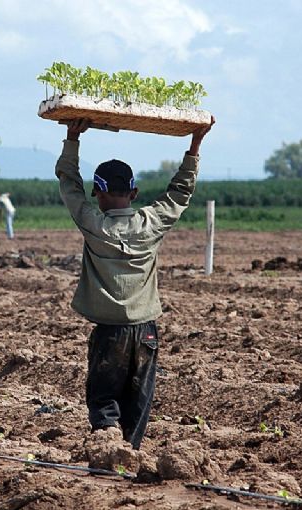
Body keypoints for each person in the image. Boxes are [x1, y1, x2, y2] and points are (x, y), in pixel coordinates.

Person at [55, 117, 215, 451]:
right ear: (134, 192)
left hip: (109, 332)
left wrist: (72, 137)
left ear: (97, 192)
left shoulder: (94, 224)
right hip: (146, 331)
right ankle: (130, 453)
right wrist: (195, 143)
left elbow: (69, 184)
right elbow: (181, 190)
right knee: (139, 399)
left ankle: (109, 450)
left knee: (103, 399)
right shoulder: (151, 223)